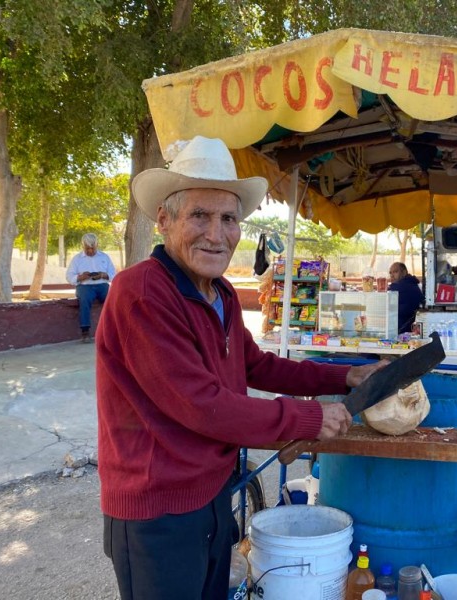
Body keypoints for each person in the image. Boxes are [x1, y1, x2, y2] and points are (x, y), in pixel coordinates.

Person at [96, 136, 385, 600]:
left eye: (228, 218)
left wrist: (342, 376)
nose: (216, 233)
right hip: (158, 511)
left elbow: (257, 365)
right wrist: (310, 417)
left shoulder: (221, 292)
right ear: (164, 220)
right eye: (200, 216)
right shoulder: (142, 293)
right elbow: (204, 407)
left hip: (211, 494)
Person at [66, 233, 116, 343]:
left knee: (112, 299)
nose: (90, 251)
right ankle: (85, 331)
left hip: (102, 285)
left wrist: (103, 275)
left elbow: (113, 274)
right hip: (84, 287)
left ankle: (113, 329)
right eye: (87, 248)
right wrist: (80, 277)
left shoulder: (104, 257)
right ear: (83, 246)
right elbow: (69, 276)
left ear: (97, 245)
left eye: (92, 248)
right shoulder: (77, 259)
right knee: (84, 300)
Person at [388, 262, 423, 334]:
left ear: (404, 272)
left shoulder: (403, 286)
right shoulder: (411, 283)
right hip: (406, 328)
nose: (392, 275)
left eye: (395, 272)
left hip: (403, 331)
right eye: (390, 273)